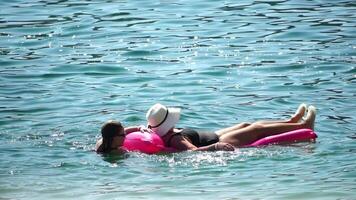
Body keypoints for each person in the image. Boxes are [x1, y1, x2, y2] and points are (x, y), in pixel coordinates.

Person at [146, 103, 316, 151]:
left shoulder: (154, 128)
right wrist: (216, 146)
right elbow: (192, 151)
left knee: (246, 124)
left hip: (212, 134)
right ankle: (303, 125)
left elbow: (136, 127)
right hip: (218, 140)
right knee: (256, 129)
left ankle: (290, 121)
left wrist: (137, 129)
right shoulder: (175, 140)